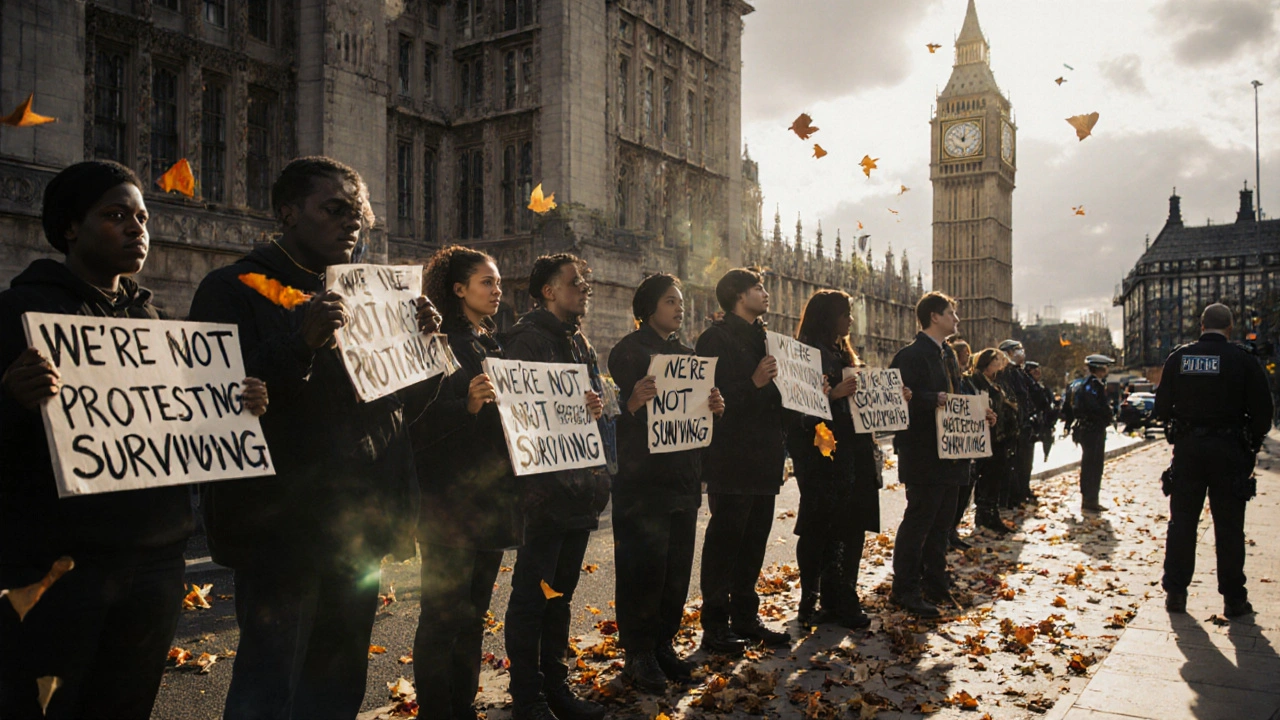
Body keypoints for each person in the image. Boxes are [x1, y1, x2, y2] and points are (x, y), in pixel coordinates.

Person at [0, 160, 266, 719]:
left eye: (142, 217)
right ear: (71, 227)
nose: (136, 228)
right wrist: (8, 397)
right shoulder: (18, 313)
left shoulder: (156, 322)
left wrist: (233, 407)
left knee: (126, 704)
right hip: (59, 567)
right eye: (116, 215)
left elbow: (180, 432)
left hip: (154, 563)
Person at [187, 157, 441, 720]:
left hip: (359, 528)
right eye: (335, 209)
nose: (352, 224)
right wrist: (300, 344)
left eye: (360, 214)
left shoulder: (376, 297)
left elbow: (403, 413)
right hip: (282, 532)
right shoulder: (233, 288)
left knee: (338, 680)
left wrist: (425, 356)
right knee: (269, 685)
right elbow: (212, 408)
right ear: (287, 211)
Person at [411, 246, 519, 720]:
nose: (497, 291)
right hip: (449, 503)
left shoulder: (494, 346)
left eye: (497, 283)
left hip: (490, 498)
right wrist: (467, 407)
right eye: (487, 283)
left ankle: (463, 704)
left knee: (474, 614)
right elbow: (418, 422)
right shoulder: (437, 343)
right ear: (459, 290)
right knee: (442, 615)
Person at [501, 253, 607, 720]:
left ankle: (555, 685)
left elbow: (589, 412)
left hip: (579, 490)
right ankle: (528, 697)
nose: (584, 288)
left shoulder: (580, 342)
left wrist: (594, 408)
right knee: (533, 597)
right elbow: (519, 416)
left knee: (559, 596)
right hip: (546, 495)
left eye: (585, 282)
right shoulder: (527, 340)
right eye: (574, 282)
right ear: (548, 290)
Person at [609, 274, 724, 694]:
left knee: (676, 571)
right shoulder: (627, 352)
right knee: (643, 570)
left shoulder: (687, 356)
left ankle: (663, 645)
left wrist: (714, 406)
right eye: (670, 301)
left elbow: (695, 415)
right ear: (648, 308)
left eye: (680, 301)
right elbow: (613, 415)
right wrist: (632, 404)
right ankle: (637, 653)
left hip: (683, 480)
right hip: (643, 486)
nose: (678, 307)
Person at [789, 290, 906, 629]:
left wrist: (895, 399)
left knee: (851, 526)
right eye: (846, 313)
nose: (851, 319)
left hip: (854, 451)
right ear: (828, 316)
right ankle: (812, 600)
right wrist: (833, 396)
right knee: (819, 528)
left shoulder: (843, 352)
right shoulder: (806, 355)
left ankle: (841, 595)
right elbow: (798, 415)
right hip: (825, 454)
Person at [695, 268, 792, 652]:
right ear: (738, 295)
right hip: (731, 459)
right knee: (725, 543)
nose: (765, 293)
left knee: (754, 542)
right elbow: (707, 399)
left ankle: (746, 618)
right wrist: (752, 383)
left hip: (765, 457)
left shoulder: (768, 340)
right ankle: (715, 625)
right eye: (758, 288)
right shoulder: (714, 338)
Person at [1156, 303, 1273, 618]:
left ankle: (1176, 593)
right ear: (1231, 327)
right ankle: (1234, 599)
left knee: (1182, 523)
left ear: (1201, 325)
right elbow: (1264, 412)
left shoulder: (1179, 358)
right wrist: (1250, 440)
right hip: (1230, 451)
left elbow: (1161, 408)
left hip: (1189, 451)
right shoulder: (1243, 360)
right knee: (1230, 527)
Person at [888, 292, 994, 618]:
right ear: (934, 316)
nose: (957, 320)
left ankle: (935, 582)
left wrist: (982, 415)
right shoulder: (910, 355)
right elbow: (897, 400)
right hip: (923, 454)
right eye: (951, 313)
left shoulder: (947, 355)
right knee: (919, 521)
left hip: (952, 455)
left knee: (943, 524)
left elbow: (958, 398)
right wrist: (932, 398)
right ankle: (904, 589)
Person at [968, 349, 1019, 536]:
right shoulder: (976, 380)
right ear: (987, 362)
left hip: (999, 436)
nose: (1001, 362)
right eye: (997, 359)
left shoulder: (995, 382)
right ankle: (984, 516)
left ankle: (991, 514)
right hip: (987, 436)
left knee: (995, 479)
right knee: (987, 478)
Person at [1071, 354, 1115, 513]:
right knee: (1093, 464)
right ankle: (1089, 499)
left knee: (1094, 464)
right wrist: (1107, 415)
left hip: (1094, 429)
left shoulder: (1093, 384)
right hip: (1092, 429)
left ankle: (1091, 497)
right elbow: (1093, 408)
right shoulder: (1091, 386)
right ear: (1100, 368)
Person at [997, 339, 1038, 506]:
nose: (1022, 353)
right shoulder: (1006, 373)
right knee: (1014, 464)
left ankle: (1021, 492)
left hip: (1023, 423)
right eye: (1018, 350)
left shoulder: (1019, 372)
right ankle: (1013, 497)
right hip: (1012, 425)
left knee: (1024, 463)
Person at [947, 338, 977, 549]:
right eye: (964, 354)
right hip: (953, 441)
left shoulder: (966, 381)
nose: (967, 358)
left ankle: (953, 530)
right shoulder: (951, 378)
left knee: (964, 489)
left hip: (966, 441)